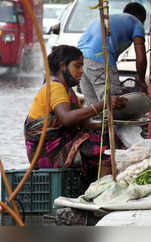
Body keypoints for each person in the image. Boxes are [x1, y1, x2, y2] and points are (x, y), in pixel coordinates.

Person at [24, 45, 127, 186]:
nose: (81, 72)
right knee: (104, 144)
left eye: (81, 67)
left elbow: (84, 124)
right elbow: (67, 119)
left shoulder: (68, 91)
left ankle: (98, 184)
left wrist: (107, 125)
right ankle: (103, 190)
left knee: (108, 135)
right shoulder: (55, 87)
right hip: (47, 153)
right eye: (77, 66)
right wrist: (102, 104)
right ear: (62, 66)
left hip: (62, 146)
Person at [78, 2, 147, 106]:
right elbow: (141, 58)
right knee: (115, 104)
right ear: (141, 18)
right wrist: (141, 81)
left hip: (80, 60)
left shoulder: (110, 19)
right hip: (100, 60)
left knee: (93, 108)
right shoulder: (136, 22)